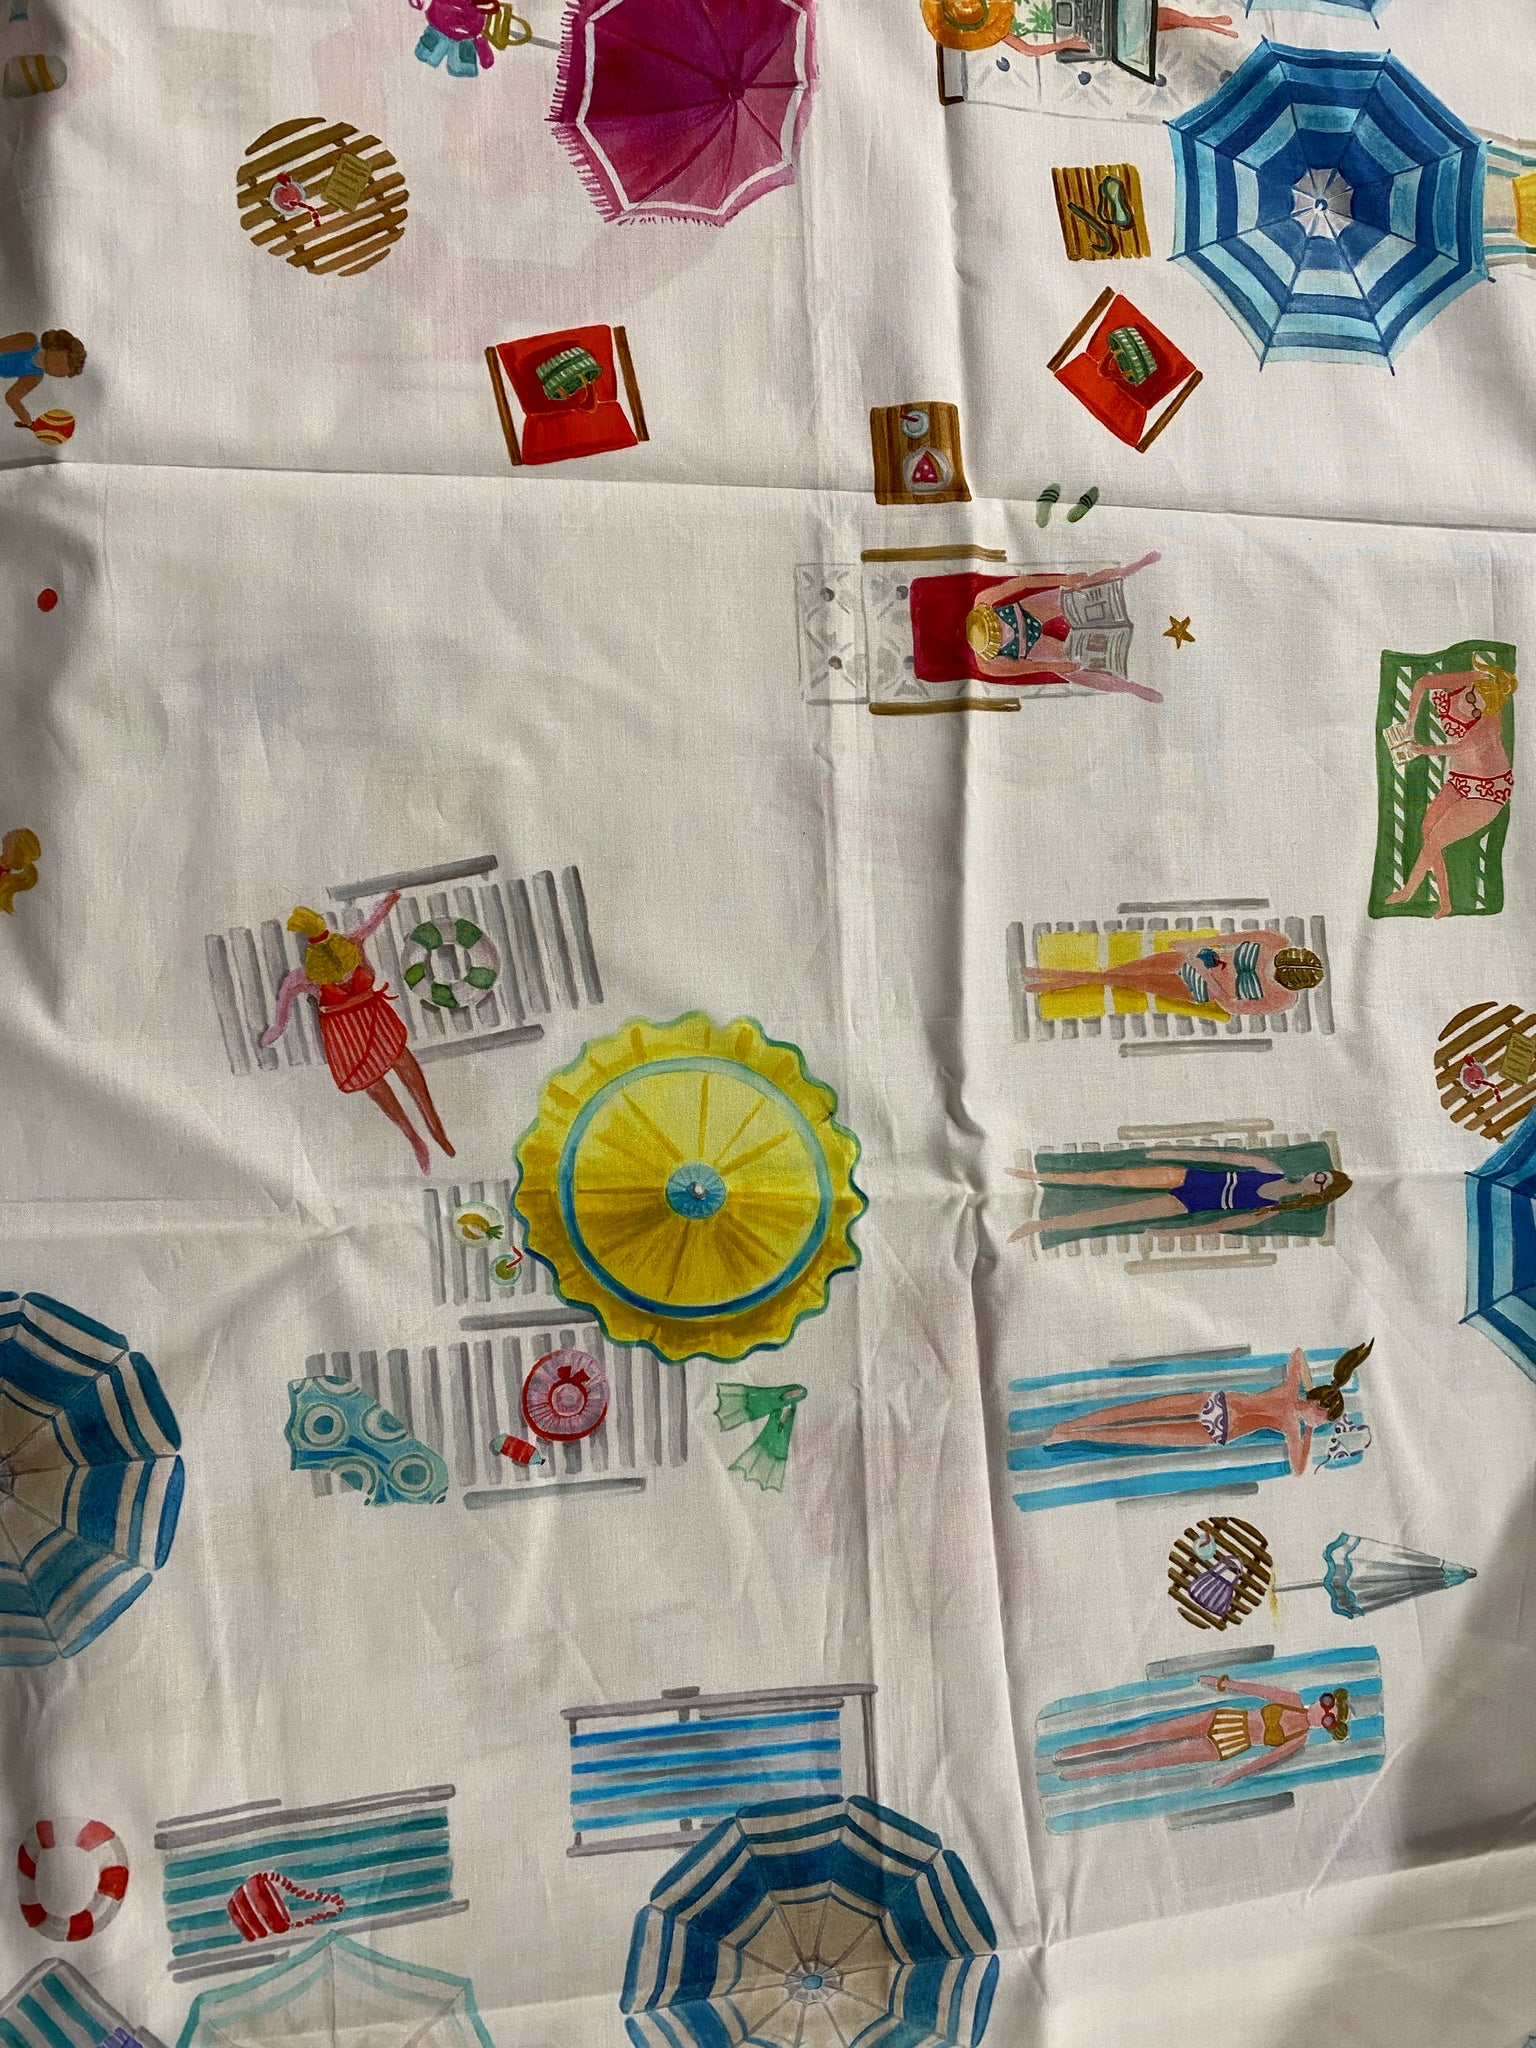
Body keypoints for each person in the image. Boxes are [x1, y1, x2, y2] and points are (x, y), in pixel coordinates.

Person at [260, 891, 455, 1174]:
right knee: (372, 1081)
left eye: (350, 972)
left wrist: (389, 901)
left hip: (376, 1020)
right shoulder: (302, 978)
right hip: (347, 1036)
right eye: (338, 978)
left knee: (403, 1061)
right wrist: (276, 1030)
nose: (346, 979)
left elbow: (373, 921)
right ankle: (414, 1138)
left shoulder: (353, 943)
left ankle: (436, 1128)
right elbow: (283, 1003)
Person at [1042, 1340, 1371, 1469]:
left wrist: (1311, 1389)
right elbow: (1299, 1467)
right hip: (1222, 1428)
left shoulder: (1289, 1393)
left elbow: (1298, 1356)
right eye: (1324, 1417)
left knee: (1139, 1414)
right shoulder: (1291, 1425)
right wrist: (1309, 1430)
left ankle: (1068, 1428)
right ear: (1319, 1409)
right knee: (1140, 1431)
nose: (1321, 1423)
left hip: (1220, 1404)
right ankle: (1068, 1433)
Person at [908, 552, 1162, 702]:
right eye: (999, 636)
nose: (1004, 631)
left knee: (1078, 590)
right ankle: (1129, 687)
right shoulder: (986, 664)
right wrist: (1054, 667)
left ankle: (1128, 569)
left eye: (998, 625)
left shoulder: (982, 600)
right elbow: (1025, 667)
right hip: (1029, 647)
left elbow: (1023, 583)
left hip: (1028, 610)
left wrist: (1064, 579)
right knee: (1075, 669)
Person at [1385, 658, 1518, 918]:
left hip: (1488, 791)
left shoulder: (1490, 721)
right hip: (1460, 778)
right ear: (1474, 687)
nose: (1471, 708)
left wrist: (1420, 749)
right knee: (1428, 829)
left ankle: (1410, 890)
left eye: (1477, 711)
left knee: (1436, 838)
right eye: (1471, 698)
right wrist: (1410, 723)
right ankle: (1444, 902)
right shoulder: (1475, 678)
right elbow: (1423, 683)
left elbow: (1459, 748)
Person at [1051, 1674, 1350, 1788]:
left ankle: (1078, 1774)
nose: (1321, 1711)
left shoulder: (1299, 1739)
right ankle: (1068, 1753)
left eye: (1328, 1720)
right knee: (1144, 1735)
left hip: (1228, 1745)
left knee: (1144, 1762)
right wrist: (1222, 1683)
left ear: (1325, 1727)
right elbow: (1257, 1690)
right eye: (1327, 1703)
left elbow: (1264, 1761)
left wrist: (1230, 1777)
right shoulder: (1293, 1700)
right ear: (1321, 1699)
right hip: (1224, 1719)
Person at [1008, 1146, 1351, 1241]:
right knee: (1112, 1177)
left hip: (1186, 1203)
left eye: (1322, 1179)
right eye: (1321, 1172)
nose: (1315, 1174)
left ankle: (1040, 1226)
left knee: (1111, 1216)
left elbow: (1218, 1226)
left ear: (1318, 1191)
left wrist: (1173, 1233)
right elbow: (1221, 1158)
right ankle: (1037, 1176)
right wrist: (1171, 1152)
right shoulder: (1269, 1167)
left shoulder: (1271, 1209)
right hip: (1187, 1175)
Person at [1025, 930, 1324, 1022]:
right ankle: (1052, 979)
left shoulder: (1283, 999)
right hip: (1199, 957)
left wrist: (1208, 979)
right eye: (1273, 963)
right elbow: (1229, 938)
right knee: (1119, 973)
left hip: (1198, 986)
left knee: (1124, 980)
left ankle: (1051, 978)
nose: (1267, 968)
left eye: (1272, 974)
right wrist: (1194, 945)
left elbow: (1233, 1007)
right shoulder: (1275, 941)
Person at [1005, 4, 1237, 55]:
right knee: (1147, 23)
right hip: (1076, 26)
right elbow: (1029, 50)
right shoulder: (996, 31)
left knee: (1149, 15)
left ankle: (1207, 22)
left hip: (1080, 5)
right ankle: (1208, 23)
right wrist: (1066, 44)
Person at [1, 329, 85, 430]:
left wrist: (27, 420)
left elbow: (12, 397)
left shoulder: (35, 376)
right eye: (58, 365)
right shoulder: (29, 340)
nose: (55, 372)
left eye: (60, 373)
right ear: (55, 347)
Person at [0, 827, 40, 913]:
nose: (9, 832)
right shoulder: (3, 864)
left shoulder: (4, 877)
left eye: (14, 833)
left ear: (14, 850)